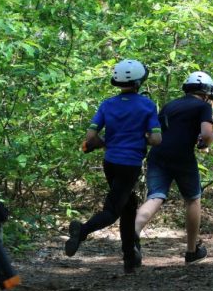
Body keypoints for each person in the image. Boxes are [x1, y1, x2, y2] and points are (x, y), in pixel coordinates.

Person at [65, 59, 162, 274]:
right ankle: (82, 231)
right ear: (139, 82)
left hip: (110, 162)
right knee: (113, 210)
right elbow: (156, 140)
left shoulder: (107, 104)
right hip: (130, 164)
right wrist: (141, 138)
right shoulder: (147, 105)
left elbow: (90, 137)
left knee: (128, 206)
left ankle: (130, 258)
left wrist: (106, 143)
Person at [134, 71, 213, 264]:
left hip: (158, 154)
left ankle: (132, 233)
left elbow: (160, 131)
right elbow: (206, 134)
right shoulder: (203, 106)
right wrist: (206, 142)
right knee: (192, 199)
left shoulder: (170, 105)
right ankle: (191, 251)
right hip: (182, 156)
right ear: (206, 93)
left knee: (155, 196)